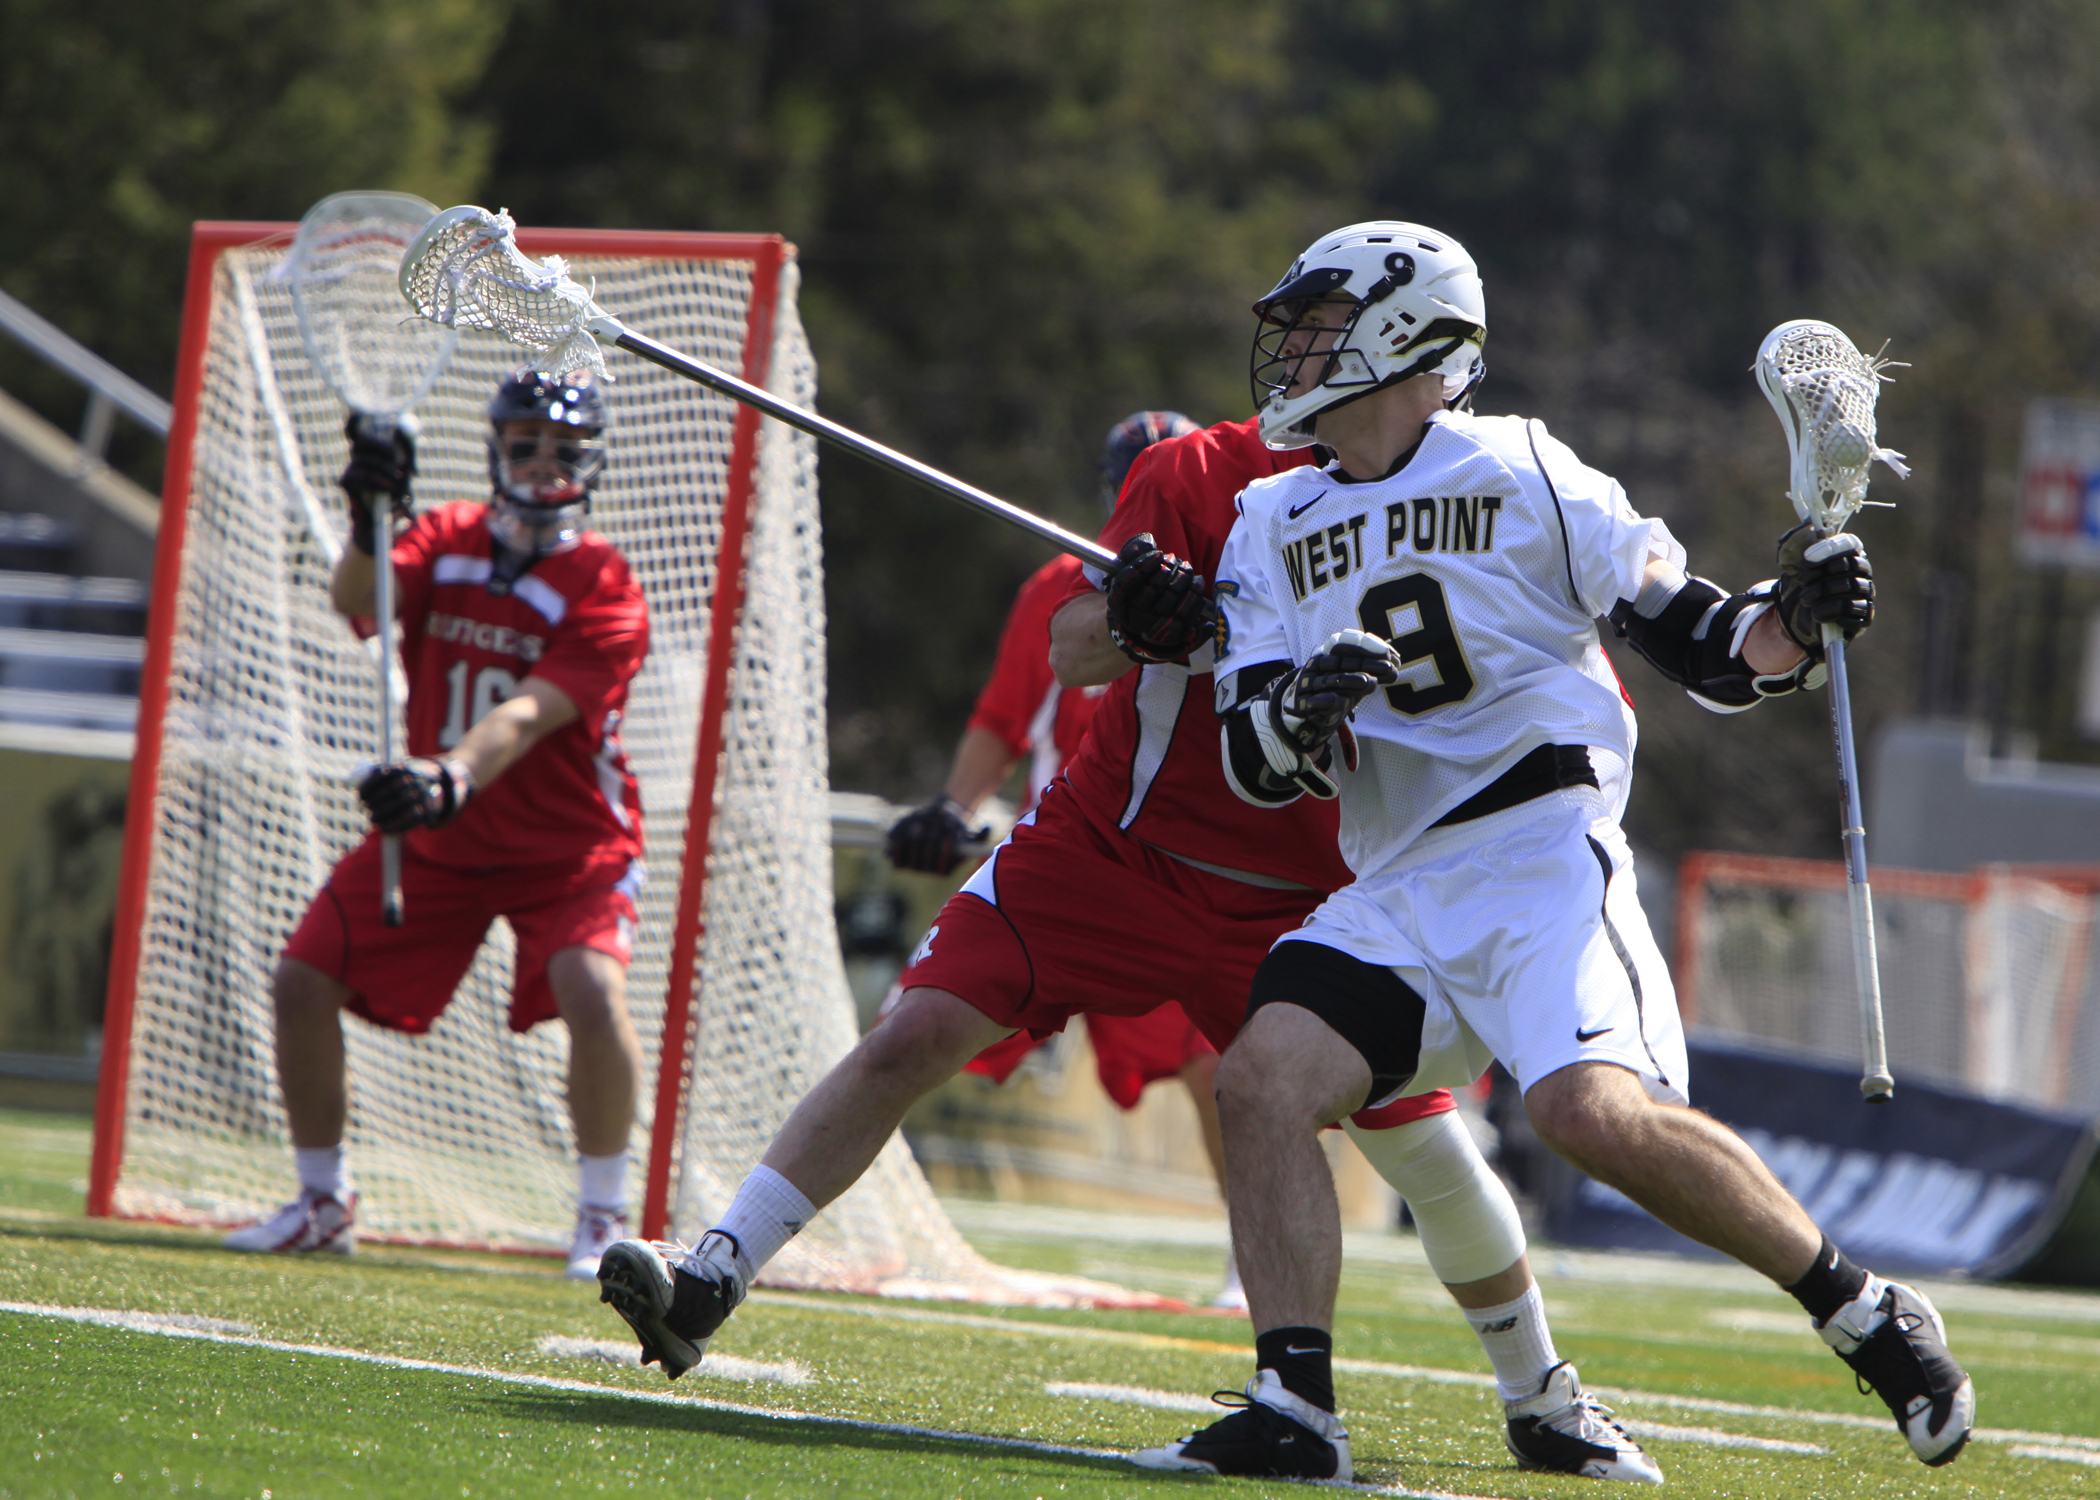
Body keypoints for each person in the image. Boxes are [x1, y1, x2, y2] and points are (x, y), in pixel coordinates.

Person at [595, 395, 1655, 1483]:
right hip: (1115, 848)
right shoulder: (1195, 472)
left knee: (1419, 1145)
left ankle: (1541, 1395)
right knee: (910, 1036)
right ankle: (711, 1278)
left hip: (1311, 890)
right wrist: (1147, 616)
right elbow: (1073, 648)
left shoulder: (1483, 485)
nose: (1308, 359)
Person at [1134, 220, 1973, 1480]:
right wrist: (1301, 710)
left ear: (1403, 333)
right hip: (1402, 880)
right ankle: (1294, 1408)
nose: (1291, 348)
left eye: (1316, 321)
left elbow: (1706, 644)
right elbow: (1258, 764)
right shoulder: (1266, 518)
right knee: (1261, 1078)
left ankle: (1864, 1309)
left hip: (1540, 849)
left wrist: (1795, 621)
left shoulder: (1523, 467)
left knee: (1589, 1113)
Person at [223, 370, 651, 1282]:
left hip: (566, 847)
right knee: (302, 978)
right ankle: (321, 1200)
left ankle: (604, 1215)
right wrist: (370, 514)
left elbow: (529, 716)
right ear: (494, 447)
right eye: (526, 442)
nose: (544, 462)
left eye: (564, 448)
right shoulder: (446, 534)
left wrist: (449, 776)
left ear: (596, 460)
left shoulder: (608, 584)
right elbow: (354, 598)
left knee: (589, 986)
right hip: (442, 838)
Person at [888, 410, 1254, 1307]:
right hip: (1071, 860)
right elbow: (1004, 716)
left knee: (1231, 1067)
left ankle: (1253, 1266)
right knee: (916, 1022)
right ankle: (844, 1216)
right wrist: (954, 808)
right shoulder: (1062, 587)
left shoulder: (1255, 583)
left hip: (1186, 873)